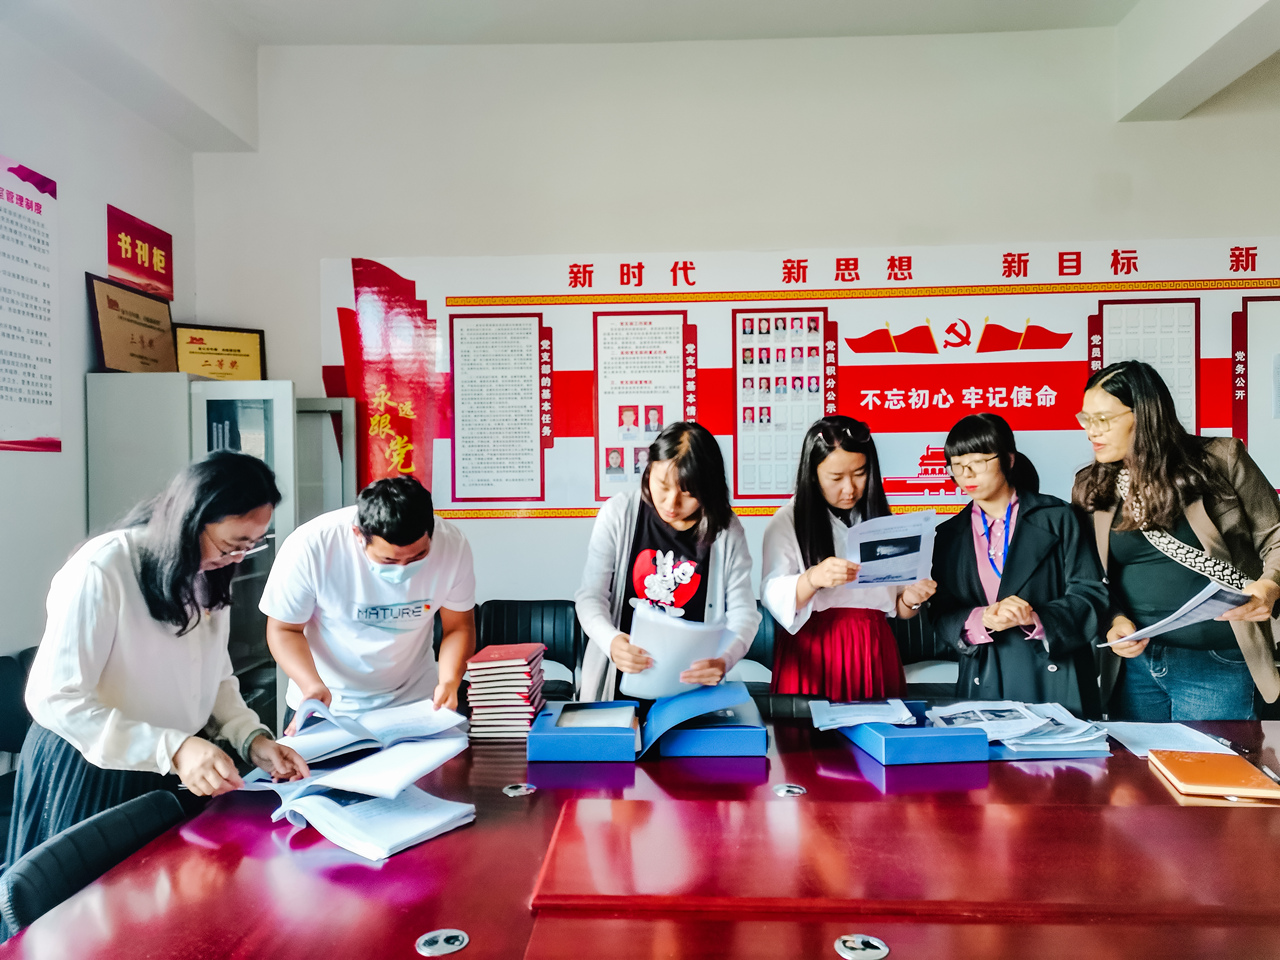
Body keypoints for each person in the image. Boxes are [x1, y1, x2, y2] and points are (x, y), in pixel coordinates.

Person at [7, 453, 309, 867]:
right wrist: (175, 748)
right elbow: (55, 699)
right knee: (86, 898)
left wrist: (251, 739)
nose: (238, 558)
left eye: (249, 546)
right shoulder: (104, 567)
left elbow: (215, 677)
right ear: (192, 518)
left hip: (162, 764)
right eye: (232, 545)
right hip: (90, 766)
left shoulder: (207, 572)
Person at [1073, 360, 1280, 720]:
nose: (1092, 431)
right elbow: (1089, 575)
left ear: (1145, 415)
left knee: (1210, 758)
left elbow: (1275, 536)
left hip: (1216, 660)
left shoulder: (1220, 460)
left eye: (1103, 419)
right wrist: (1114, 620)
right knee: (1137, 759)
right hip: (1134, 665)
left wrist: (1269, 586)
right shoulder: (1092, 484)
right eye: (1086, 419)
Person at [260, 475, 475, 728]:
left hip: (416, 703)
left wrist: (449, 681)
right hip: (327, 704)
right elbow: (284, 629)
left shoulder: (452, 544)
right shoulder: (311, 545)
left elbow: (458, 626)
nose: (403, 569)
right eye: (388, 560)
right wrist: (310, 684)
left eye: (418, 557)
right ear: (358, 534)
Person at [930, 414, 1109, 716]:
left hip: (1056, 674)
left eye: (978, 462)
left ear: (1008, 459)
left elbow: (1090, 594)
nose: (966, 474)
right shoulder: (948, 534)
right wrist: (982, 618)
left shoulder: (1058, 517)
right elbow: (941, 613)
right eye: (957, 465)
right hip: (984, 673)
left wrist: (1035, 617)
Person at [575, 421, 761, 701]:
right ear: (649, 469)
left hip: (691, 689)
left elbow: (744, 614)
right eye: (662, 486)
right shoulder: (618, 513)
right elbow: (590, 597)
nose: (671, 503)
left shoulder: (725, 531)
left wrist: (725, 659)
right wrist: (611, 641)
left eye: (688, 493)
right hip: (619, 680)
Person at [761, 416, 935, 699]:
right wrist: (812, 578)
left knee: (877, 725)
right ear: (813, 473)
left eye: (859, 473)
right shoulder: (788, 521)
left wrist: (912, 598)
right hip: (813, 650)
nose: (849, 488)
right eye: (836, 477)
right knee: (808, 727)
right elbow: (773, 594)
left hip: (873, 646)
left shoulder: (883, 521)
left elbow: (900, 608)